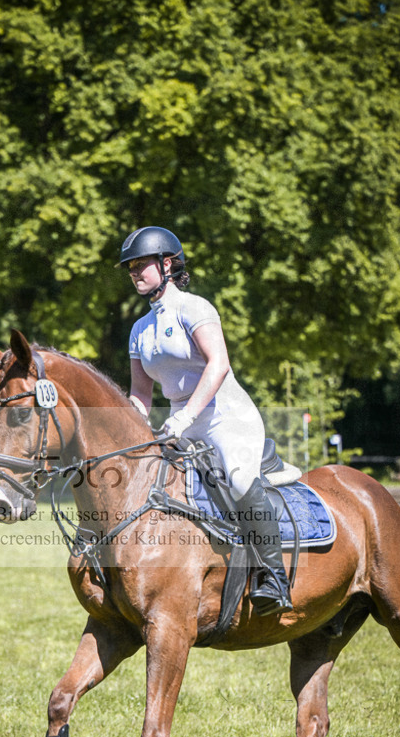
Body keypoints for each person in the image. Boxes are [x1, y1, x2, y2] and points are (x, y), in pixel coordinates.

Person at [120, 225, 292, 615]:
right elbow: (141, 394)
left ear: (167, 264)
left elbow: (218, 365)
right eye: (130, 267)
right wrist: (131, 427)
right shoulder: (139, 330)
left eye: (141, 264)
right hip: (181, 422)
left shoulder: (194, 308)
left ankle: (274, 578)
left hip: (226, 416)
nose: (134, 273)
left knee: (237, 477)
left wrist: (185, 417)